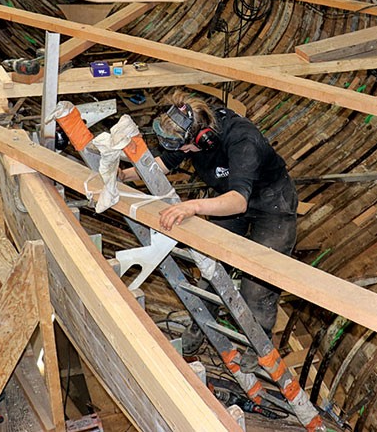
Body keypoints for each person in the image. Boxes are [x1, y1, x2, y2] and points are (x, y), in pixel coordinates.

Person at [125, 90, 297, 369]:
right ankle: (201, 326)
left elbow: (238, 202)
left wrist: (191, 207)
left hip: (269, 203)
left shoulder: (242, 140)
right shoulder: (189, 133)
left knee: (258, 285)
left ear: (204, 138)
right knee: (211, 266)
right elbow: (163, 164)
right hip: (226, 198)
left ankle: (261, 345)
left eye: (184, 149)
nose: (179, 154)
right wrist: (125, 174)